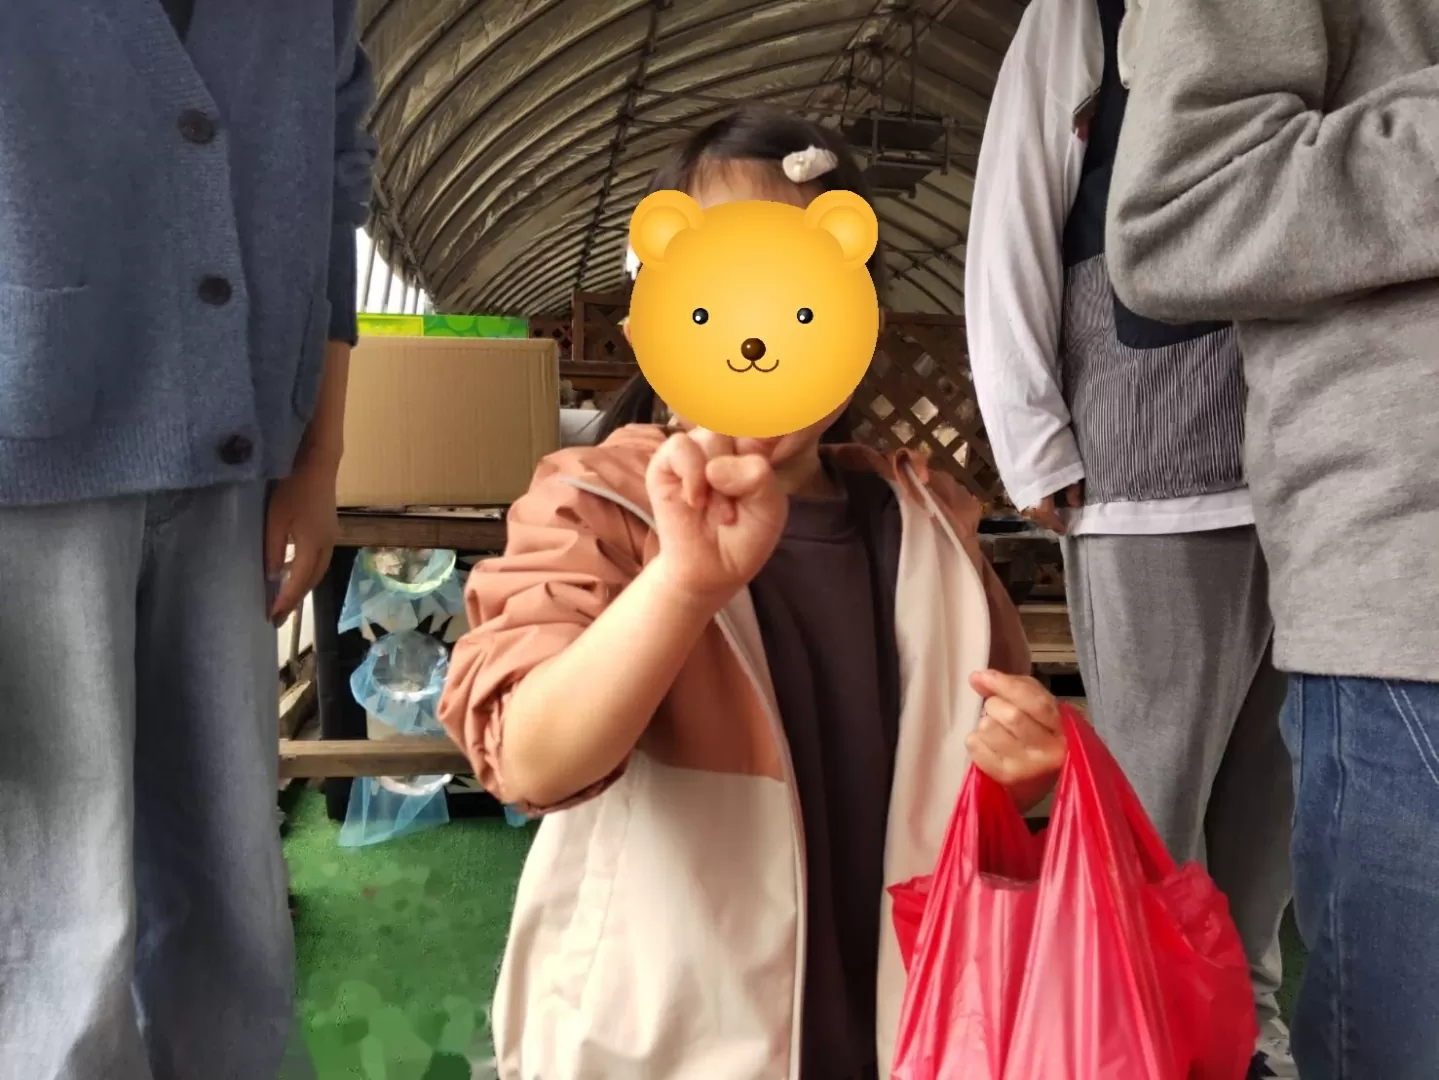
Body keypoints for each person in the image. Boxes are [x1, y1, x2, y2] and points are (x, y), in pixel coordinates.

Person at [438, 107, 1067, 1080]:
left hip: (909, 1028)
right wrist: (682, 584)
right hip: (675, 1044)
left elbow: (993, 744)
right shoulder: (595, 503)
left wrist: (1022, 777)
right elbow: (531, 759)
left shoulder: (929, 528)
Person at [0, 3, 376, 1079]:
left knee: (231, 884)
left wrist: (319, 459)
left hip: (237, 462)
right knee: (58, 909)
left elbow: (336, 182)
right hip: (28, 471)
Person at [1103, 3, 1439, 1078]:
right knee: (1158, 798)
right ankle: (1161, 1029)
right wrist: (1038, 458)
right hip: (1156, 497)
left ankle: (1237, 1024)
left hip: (1252, 499)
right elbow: (1152, 218)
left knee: (1241, 811)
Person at [964, 2, 1295, 1074]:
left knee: (1270, 826)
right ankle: (1130, 1045)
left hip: (1310, 476)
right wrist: (1030, 438)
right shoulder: (1081, 12)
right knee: (1148, 819)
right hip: (1148, 464)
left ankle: (1244, 1044)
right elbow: (1015, 205)